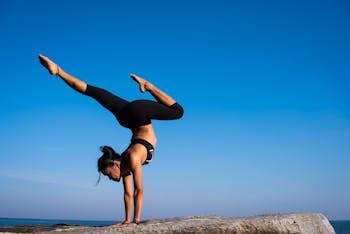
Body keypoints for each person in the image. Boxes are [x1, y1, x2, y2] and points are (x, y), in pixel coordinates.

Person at [38, 54, 184, 226]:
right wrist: (126, 221)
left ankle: (148, 85)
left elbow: (139, 190)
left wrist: (136, 221)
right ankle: (59, 71)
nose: (110, 178)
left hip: (138, 114)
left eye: (108, 174)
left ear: (115, 164)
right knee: (93, 92)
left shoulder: (131, 158)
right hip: (127, 118)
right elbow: (128, 194)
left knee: (178, 112)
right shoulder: (125, 165)